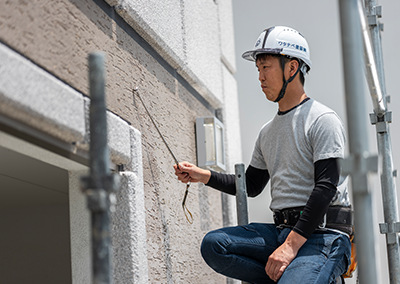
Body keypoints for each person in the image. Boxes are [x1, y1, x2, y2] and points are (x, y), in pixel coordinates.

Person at [174, 26, 353, 284]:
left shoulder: (322, 120)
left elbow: (325, 188)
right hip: (281, 232)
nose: (260, 77)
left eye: (266, 67)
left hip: (322, 236)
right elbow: (252, 185)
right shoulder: (267, 132)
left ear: (292, 68)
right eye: (258, 69)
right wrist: (202, 176)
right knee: (214, 245)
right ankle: (287, 276)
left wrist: (289, 247)